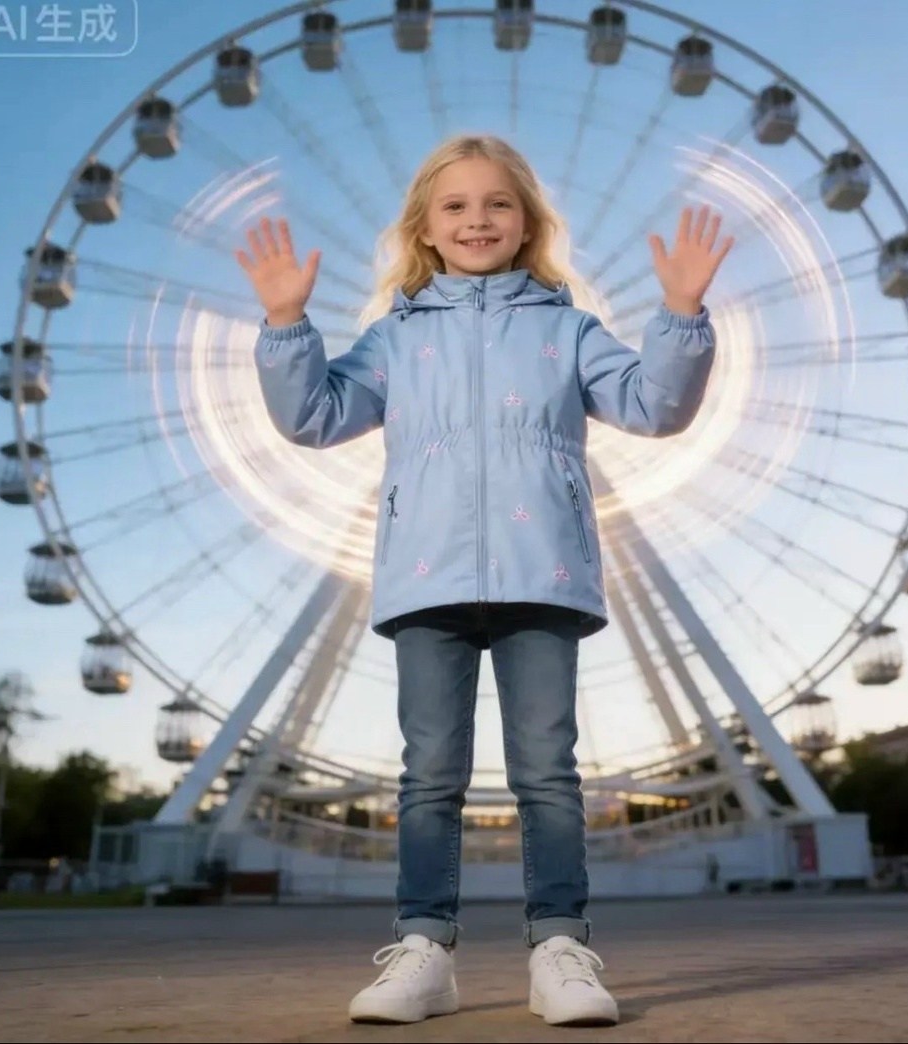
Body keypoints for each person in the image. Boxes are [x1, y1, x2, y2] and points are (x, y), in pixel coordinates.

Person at [237, 134, 733, 1027]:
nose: (477, 220)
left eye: (497, 204)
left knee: (547, 770)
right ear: (424, 228)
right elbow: (312, 416)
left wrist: (682, 313)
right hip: (423, 577)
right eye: (457, 206)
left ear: (529, 222)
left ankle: (560, 948)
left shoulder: (568, 329)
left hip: (543, 568)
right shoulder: (394, 339)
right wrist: (285, 326)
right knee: (429, 774)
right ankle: (424, 948)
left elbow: (655, 404)